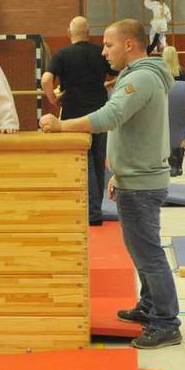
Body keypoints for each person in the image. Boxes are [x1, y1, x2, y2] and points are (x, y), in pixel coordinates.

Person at [39, 19, 182, 350]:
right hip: (136, 176)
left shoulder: (141, 78)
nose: (103, 52)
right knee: (140, 249)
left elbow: (110, 117)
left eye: (108, 45)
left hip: (143, 182)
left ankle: (166, 322)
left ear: (129, 45)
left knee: (148, 253)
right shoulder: (137, 75)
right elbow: (133, 129)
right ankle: (150, 305)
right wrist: (119, 172)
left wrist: (62, 126)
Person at [41, 16, 117, 225]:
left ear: (69, 33)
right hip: (100, 114)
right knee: (98, 161)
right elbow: (121, 70)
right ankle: (95, 208)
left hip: (73, 116)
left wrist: (53, 99)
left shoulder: (62, 54)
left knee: (83, 162)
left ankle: (89, 211)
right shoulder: (100, 53)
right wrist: (109, 84)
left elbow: (46, 79)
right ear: (89, 33)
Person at [162, 46, 185, 176]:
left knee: (168, 133)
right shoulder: (181, 71)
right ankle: (179, 166)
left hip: (166, 105)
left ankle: (172, 165)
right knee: (179, 133)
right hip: (179, 106)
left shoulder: (162, 72)